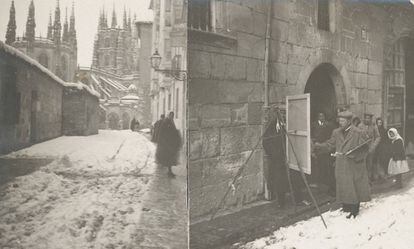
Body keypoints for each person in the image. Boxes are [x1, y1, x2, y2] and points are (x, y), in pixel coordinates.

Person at [315, 110, 371, 218]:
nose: (340, 122)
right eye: (339, 120)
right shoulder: (336, 132)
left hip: (354, 164)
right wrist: (319, 145)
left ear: (349, 121)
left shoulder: (358, 132)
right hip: (341, 164)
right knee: (343, 186)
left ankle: (354, 209)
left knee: (354, 186)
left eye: (343, 120)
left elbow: (365, 148)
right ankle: (346, 207)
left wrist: (356, 157)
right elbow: (330, 144)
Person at [262, 109, 305, 208]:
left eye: (285, 114)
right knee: (279, 181)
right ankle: (281, 202)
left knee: (295, 178)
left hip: (291, 157)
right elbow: (265, 141)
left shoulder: (292, 124)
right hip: (278, 160)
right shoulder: (273, 126)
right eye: (281, 114)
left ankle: (298, 199)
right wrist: (275, 154)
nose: (283, 116)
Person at [311, 112, 335, 196]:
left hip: (326, 148)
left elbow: (330, 137)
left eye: (323, 116)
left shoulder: (328, 125)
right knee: (318, 167)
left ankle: (326, 185)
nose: (321, 117)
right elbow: (311, 136)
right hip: (317, 148)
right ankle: (319, 185)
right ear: (318, 117)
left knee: (327, 167)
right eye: (320, 116)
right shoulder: (313, 125)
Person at [155, 112, 181, 177]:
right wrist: (162, 142)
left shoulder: (171, 121)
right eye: (171, 115)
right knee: (168, 158)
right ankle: (169, 171)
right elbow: (162, 133)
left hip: (170, 143)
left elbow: (173, 131)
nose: (172, 117)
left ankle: (169, 171)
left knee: (170, 158)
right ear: (168, 115)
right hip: (166, 143)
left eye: (173, 116)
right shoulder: (165, 122)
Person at [358, 113, 381, 182]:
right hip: (362, 149)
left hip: (370, 149)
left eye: (368, 118)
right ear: (364, 118)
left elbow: (378, 137)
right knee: (362, 165)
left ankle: (368, 180)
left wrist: (373, 146)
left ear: (371, 119)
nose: (367, 119)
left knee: (369, 165)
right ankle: (362, 181)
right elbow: (357, 136)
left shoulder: (374, 126)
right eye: (366, 118)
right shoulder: (360, 126)